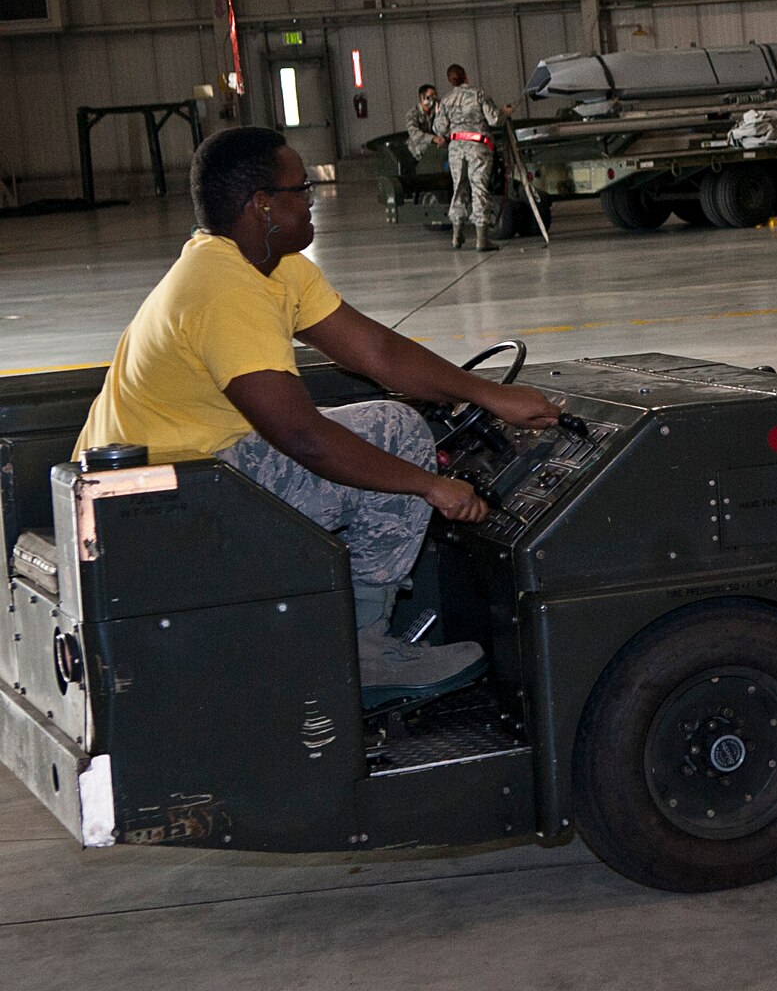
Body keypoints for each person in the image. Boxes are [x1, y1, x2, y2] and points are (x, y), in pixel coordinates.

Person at [74, 127, 563, 707]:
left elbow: (377, 353)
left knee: (381, 426)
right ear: (262, 205)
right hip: (148, 511)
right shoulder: (224, 287)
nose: (309, 200)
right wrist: (432, 486)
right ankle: (361, 651)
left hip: (175, 481)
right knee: (397, 433)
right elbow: (302, 437)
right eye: (299, 187)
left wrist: (487, 395)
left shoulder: (272, 267)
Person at [436, 63, 508, 251]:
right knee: (479, 189)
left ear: (450, 80)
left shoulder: (446, 100)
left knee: (459, 188)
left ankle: (456, 236)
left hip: (456, 149)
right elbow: (495, 120)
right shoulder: (479, 94)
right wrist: (505, 113)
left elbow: (439, 129)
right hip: (478, 147)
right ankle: (481, 240)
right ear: (466, 76)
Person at [405, 82, 443, 156]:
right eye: (430, 96)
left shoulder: (435, 110)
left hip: (435, 144)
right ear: (422, 98)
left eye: (435, 96)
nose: (433, 99)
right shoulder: (413, 113)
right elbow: (414, 133)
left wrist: (439, 113)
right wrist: (433, 138)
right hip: (418, 146)